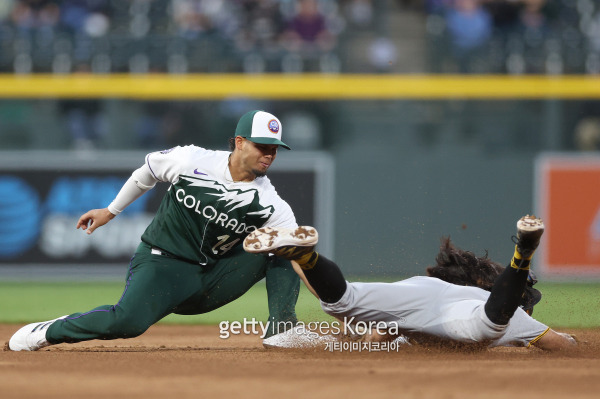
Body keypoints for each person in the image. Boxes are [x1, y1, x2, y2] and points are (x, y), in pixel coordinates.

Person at [8, 110, 301, 351]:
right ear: (239, 142)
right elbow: (148, 171)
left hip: (212, 279)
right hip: (163, 265)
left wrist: (337, 300)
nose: (269, 154)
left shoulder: (270, 203)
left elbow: (301, 259)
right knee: (125, 323)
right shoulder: (192, 160)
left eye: (274, 148)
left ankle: (281, 331)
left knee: (288, 245)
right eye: (262, 146)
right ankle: (47, 330)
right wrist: (111, 211)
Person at [243, 216, 577, 351]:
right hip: (469, 314)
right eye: (527, 297)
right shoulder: (516, 319)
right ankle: (523, 254)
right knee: (490, 325)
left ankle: (306, 257)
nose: (530, 303)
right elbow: (565, 347)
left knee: (345, 300)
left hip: (421, 294)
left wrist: (358, 335)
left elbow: (380, 332)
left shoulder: (433, 287)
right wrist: (570, 340)